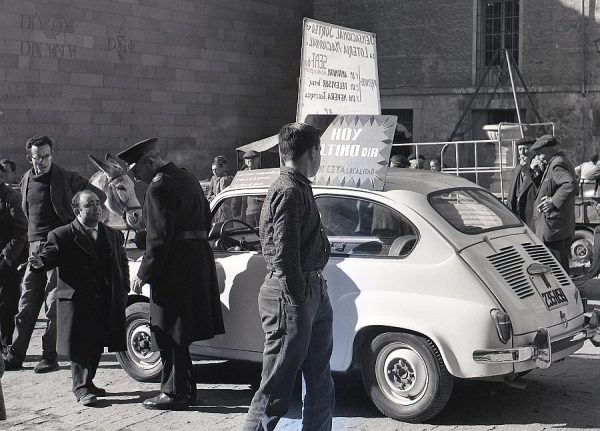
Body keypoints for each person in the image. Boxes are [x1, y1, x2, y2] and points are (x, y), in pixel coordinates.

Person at [117, 138, 224, 410]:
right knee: (181, 331)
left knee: (169, 331)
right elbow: (206, 218)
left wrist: (143, 273)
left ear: (150, 161)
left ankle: (173, 393)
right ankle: (186, 388)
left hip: (174, 267)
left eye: (136, 169)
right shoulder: (187, 177)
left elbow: (159, 238)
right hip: (197, 260)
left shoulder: (158, 187)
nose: (136, 177)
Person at [243, 123, 334, 431]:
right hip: (291, 295)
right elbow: (284, 257)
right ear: (312, 152)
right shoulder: (289, 191)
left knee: (321, 384)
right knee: (275, 390)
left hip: (311, 289)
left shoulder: (298, 186)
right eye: (319, 151)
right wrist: (298, 301)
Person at [3, 135, 107, 372]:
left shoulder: (67, 178)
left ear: (52, 154)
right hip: (34, 248)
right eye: (37, 157)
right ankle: (16, 355)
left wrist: (76, 223)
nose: (42, 161)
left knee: (53, 304)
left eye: (46, 156)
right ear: (30, 157)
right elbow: (27, 216)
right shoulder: (25, 180)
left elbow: (99, 197)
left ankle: (49, 356)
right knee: (27, 303)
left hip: (58, 247)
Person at [27, 190, 129, 406]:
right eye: (90, 204)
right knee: (80, 345)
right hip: (77, 301)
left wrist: (124, 289)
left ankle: (88, 382)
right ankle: (81, 388)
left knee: (97, 343)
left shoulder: (112, 234)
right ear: (77, 211)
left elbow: (122, 263)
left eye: (98, 203)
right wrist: (39, 263)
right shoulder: (61, 234)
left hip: (104, 299)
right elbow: (49, 255)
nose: (97, 207)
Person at [530, 135, 577, 270]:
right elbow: (548, 187)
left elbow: (570, 185)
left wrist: (553, 201)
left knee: (558, 268)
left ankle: (567, 291)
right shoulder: (553, 163)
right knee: (557, 267)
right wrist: (537, 172)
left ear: (549, 151)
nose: (538, 157)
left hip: (555, 229)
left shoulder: (557, 163)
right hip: (554, 228)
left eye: (540, 154)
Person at [0, 164, 27, 355]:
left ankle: (5, 347)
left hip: (7, 259)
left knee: (6, 304)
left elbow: (20, 231)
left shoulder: (12, 197)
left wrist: (7, 259)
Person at [507, 137, 537, 230]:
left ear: (533, 150)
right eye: (520, 149)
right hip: (517, 216)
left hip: (532, 217)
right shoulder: (517, 169)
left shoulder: (539, 168)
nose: (522, 152)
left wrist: (528, 169)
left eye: (525, 148)